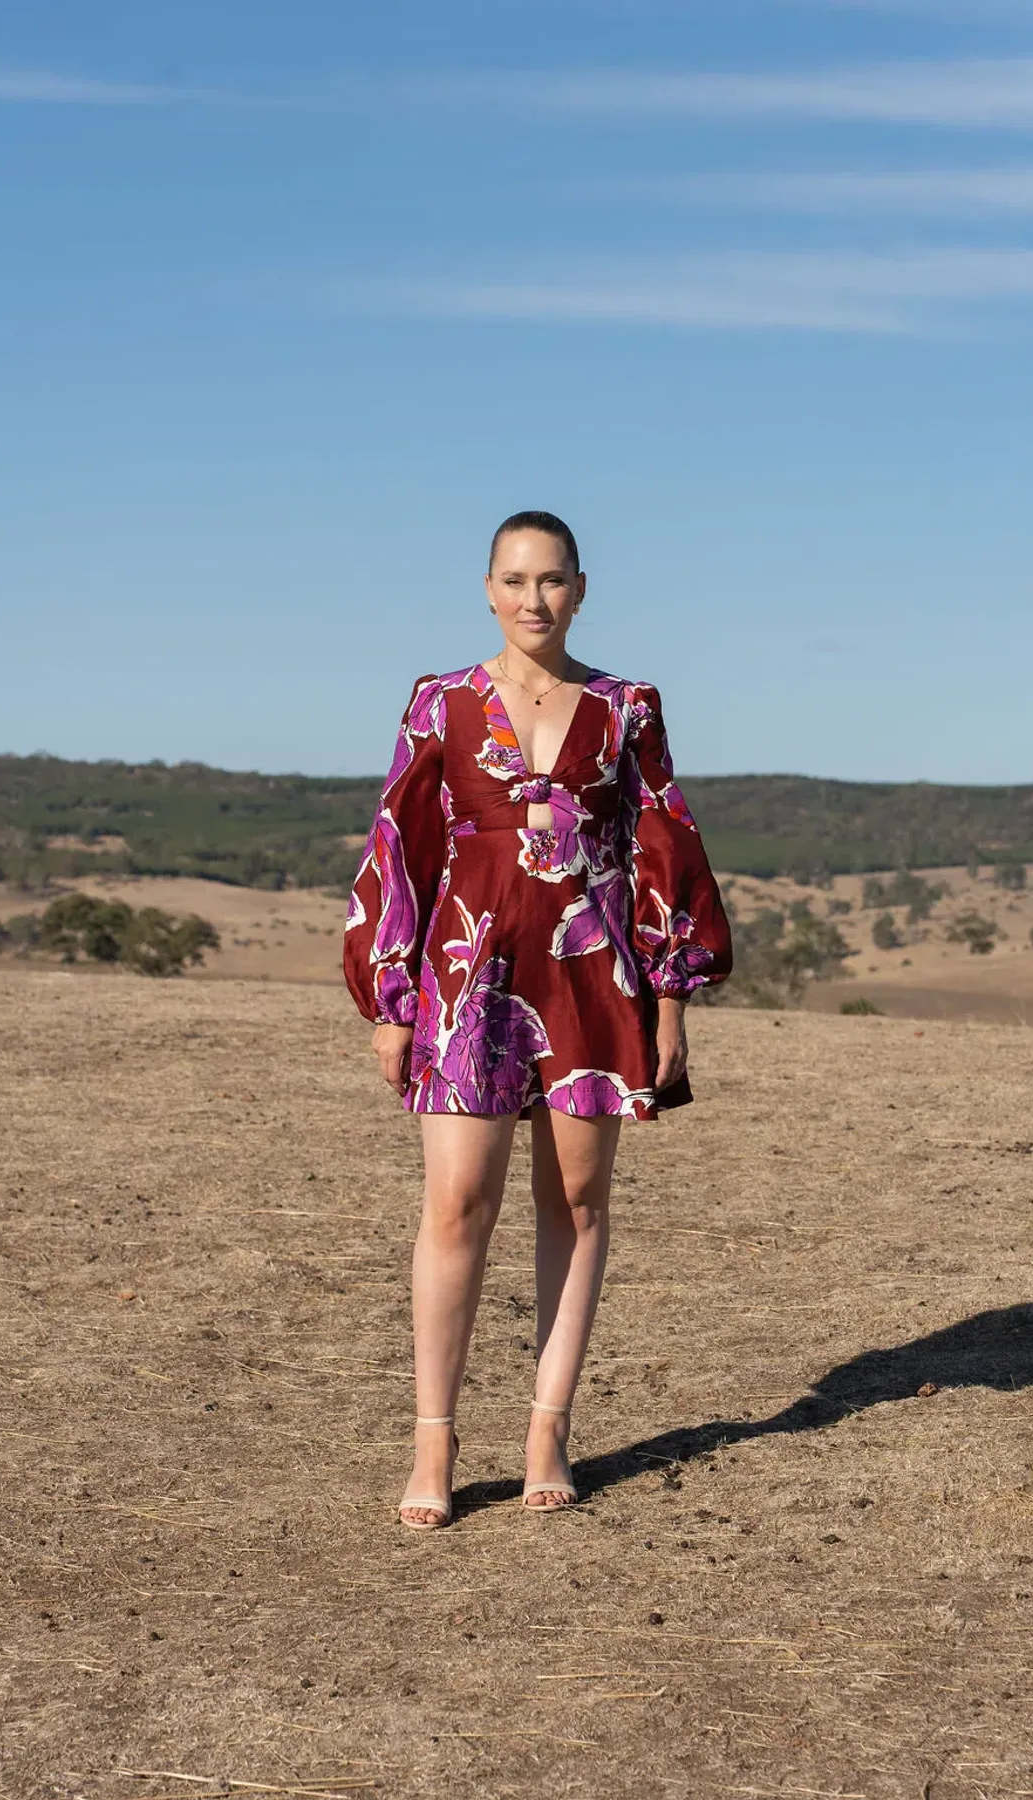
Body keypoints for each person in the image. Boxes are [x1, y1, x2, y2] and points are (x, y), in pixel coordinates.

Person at [343, 511, 732, 1528]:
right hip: (466, 978)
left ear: (581, 589)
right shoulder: (441, 704)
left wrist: (673, 1001)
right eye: (515, 580)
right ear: (486, 588)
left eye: (552, 580)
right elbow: (401, 846)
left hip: (594, 980)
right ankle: (435, 1443)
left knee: (578, 1200)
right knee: (456, 1205)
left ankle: (547, 1430)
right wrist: (389, 1000)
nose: (533, 599)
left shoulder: (627, 707)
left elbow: (665, 851)